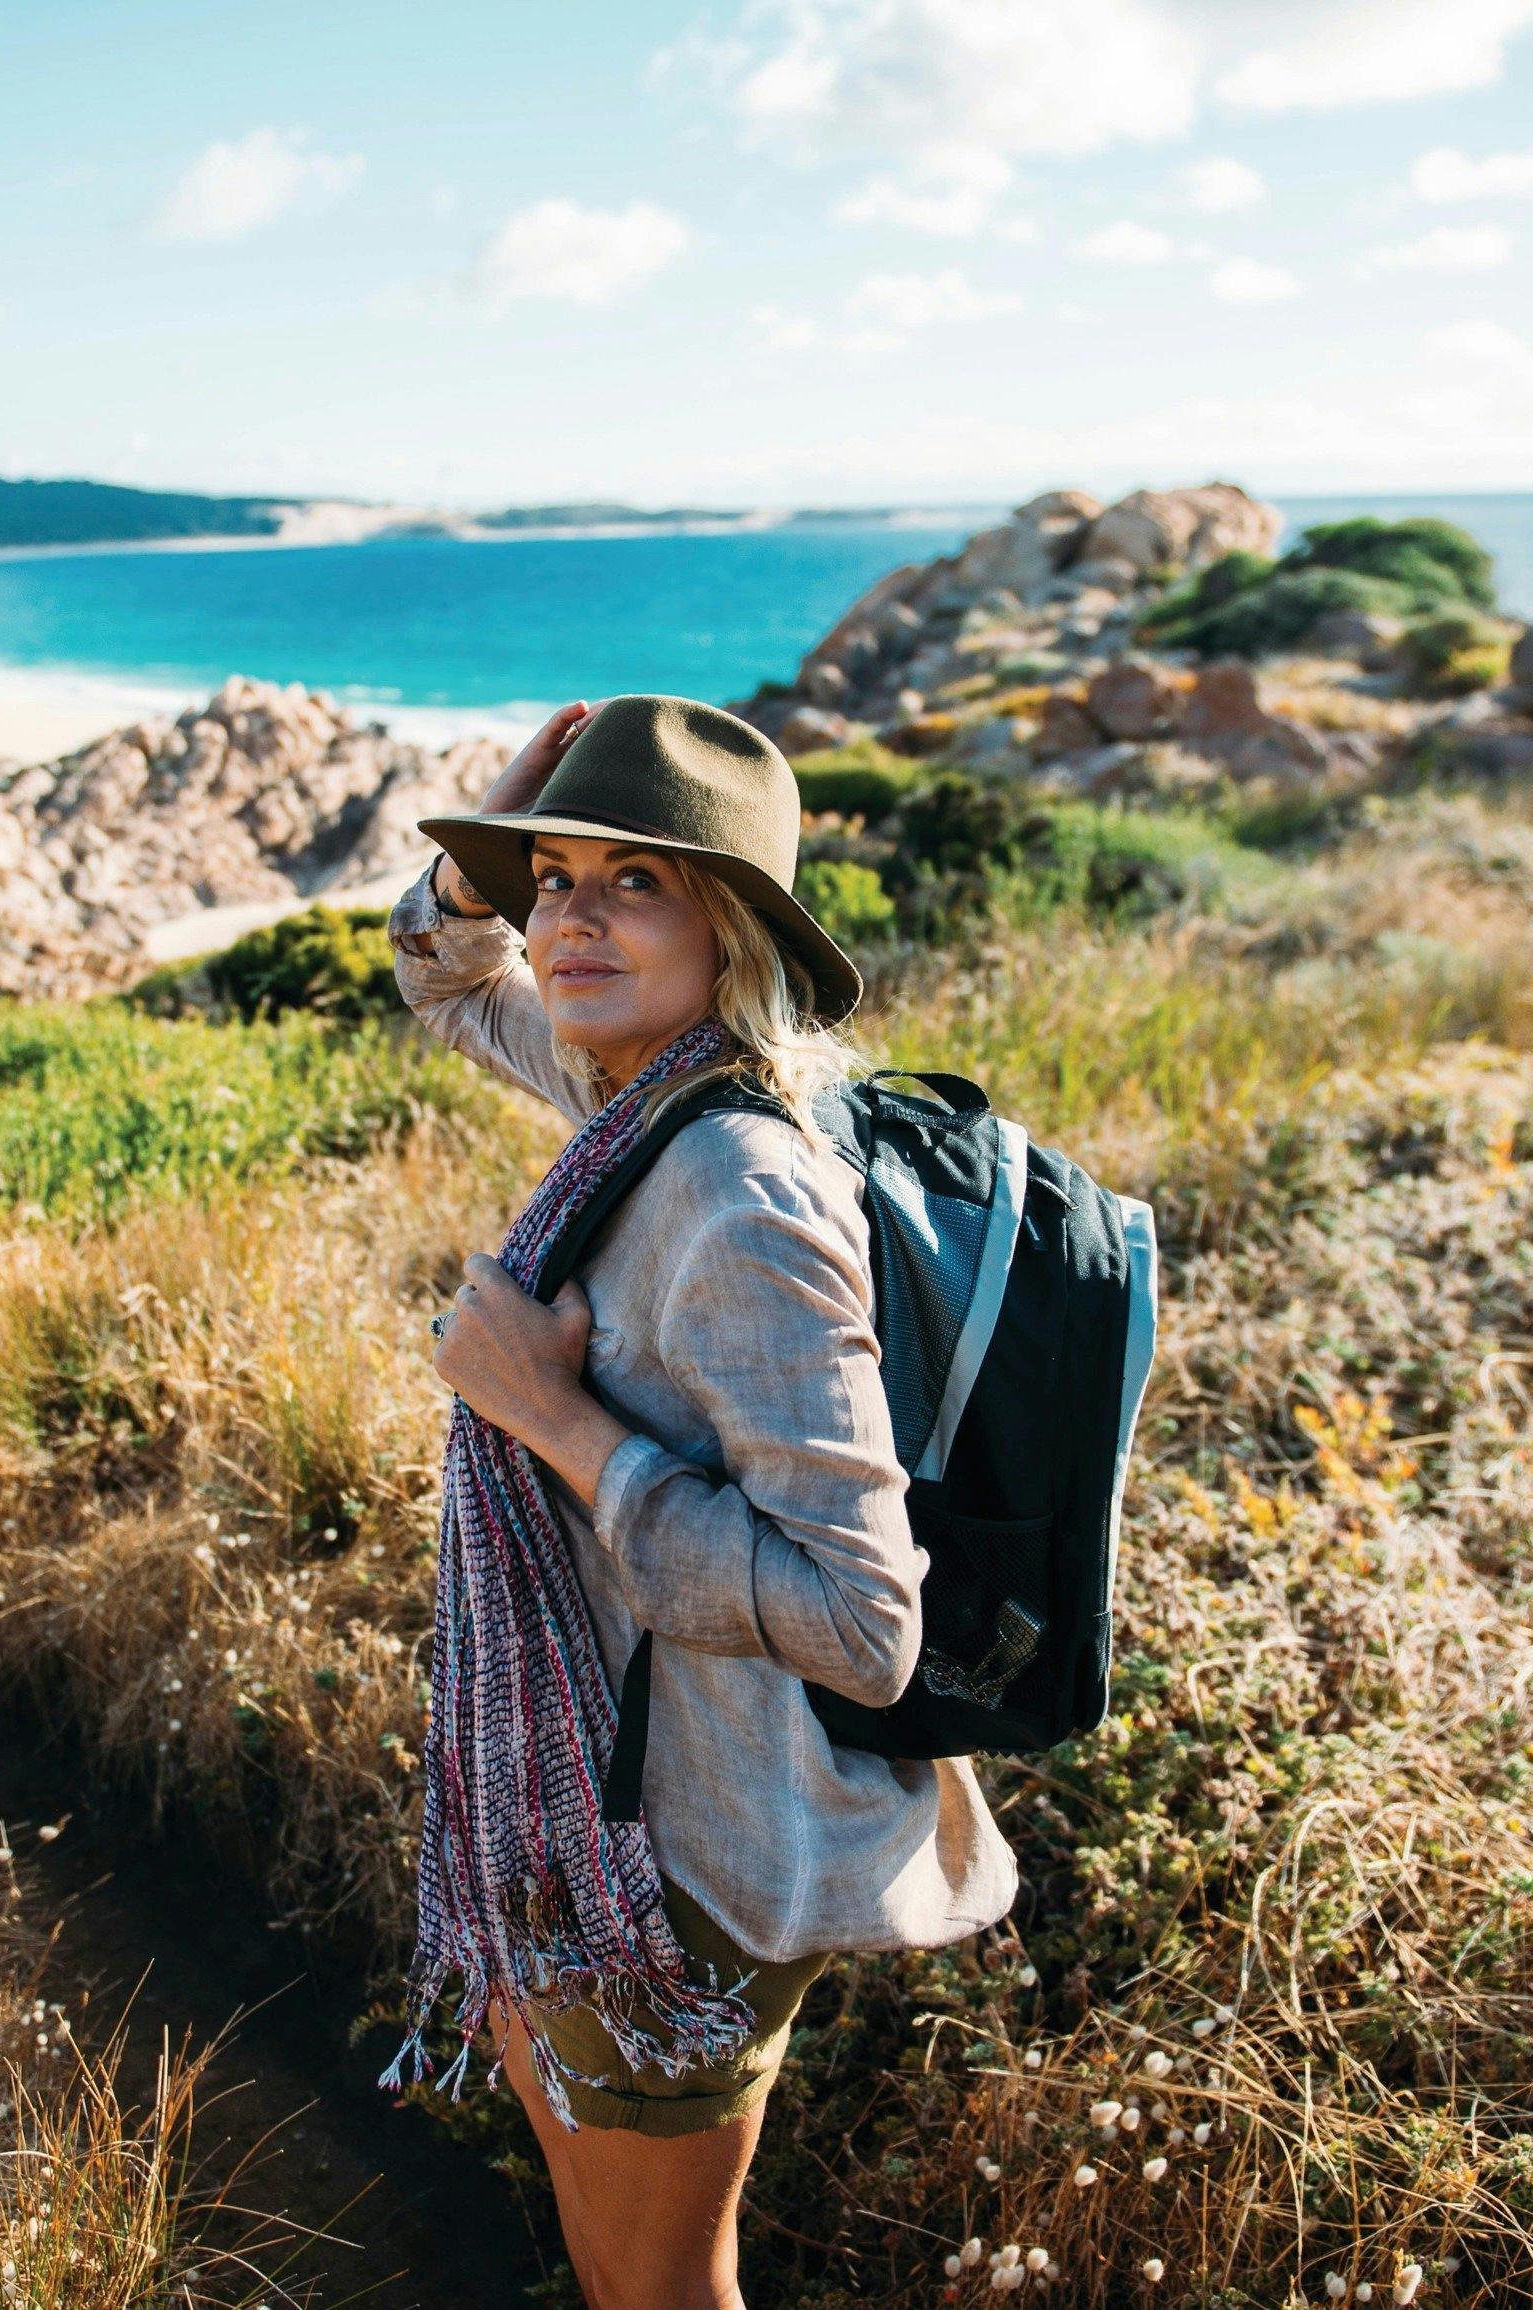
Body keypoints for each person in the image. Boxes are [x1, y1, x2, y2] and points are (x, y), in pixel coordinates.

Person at [386, 695, 1015, 2310]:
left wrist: (558, 1422)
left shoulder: (736, 1188)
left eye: (633, 883)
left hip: (699, 1867)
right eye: (558, 880)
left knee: (662, 2289)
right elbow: (443, 981)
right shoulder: (639, 1094)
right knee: (617, 2275)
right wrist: (484, 855)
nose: (569, 919)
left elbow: (865, 1622)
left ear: (727, 928)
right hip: (617, 1807)